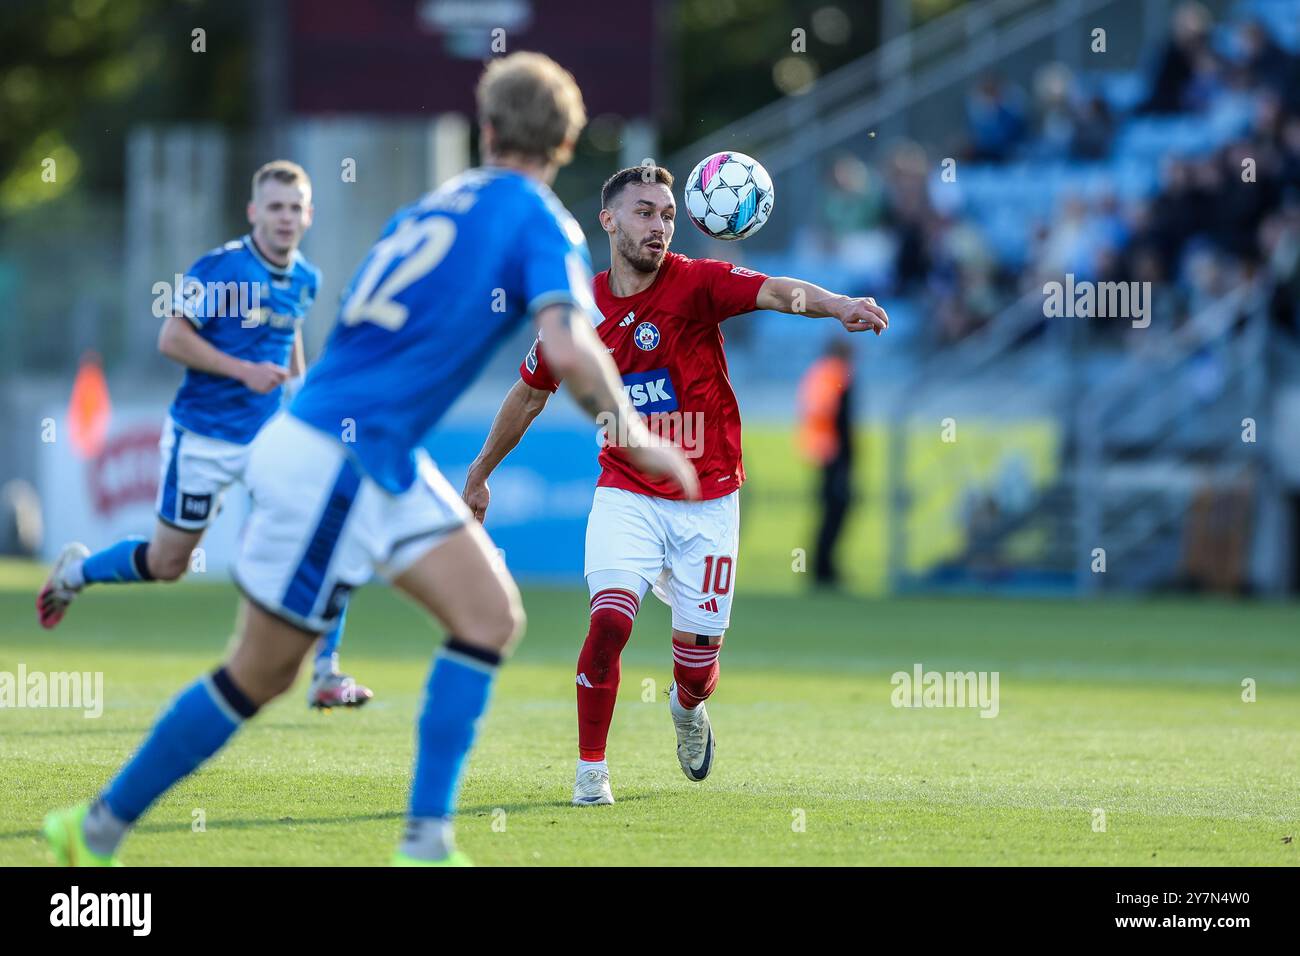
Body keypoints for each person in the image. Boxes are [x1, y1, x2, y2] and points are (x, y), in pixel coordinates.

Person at [42, 52, 698, 867]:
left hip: (365, 451)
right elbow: (567, 343)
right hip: (337, 459)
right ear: (566, 143)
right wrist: (631, 430)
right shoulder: (540, 221)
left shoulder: (433, 206)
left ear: (485, 130)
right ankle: (95, 829)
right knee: (258, 675)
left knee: (490, 616)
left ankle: (425, 843)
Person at [462, 164, 888, 806]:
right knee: (607, 625)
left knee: (697, 668)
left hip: (708, 497)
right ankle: (590, 774)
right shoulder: (576, 311)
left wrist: (839, 306)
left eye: (667, 214)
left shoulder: (696, 283)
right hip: (626, 491)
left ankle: (687, 710)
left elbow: (775, 292)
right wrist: (480, 471)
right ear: (607, 220)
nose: (659, 225)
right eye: (643, 212)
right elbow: (528, 394)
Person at [36, 160, 372, 708]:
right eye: (275, 207)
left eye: (295, 208)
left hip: (266, 437)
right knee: (168, 564)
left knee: (325, 524)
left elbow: (288, 339)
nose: (285, 218)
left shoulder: (305, 277)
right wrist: (242, 371)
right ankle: (76, 572)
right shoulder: (222, 269)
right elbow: (171, 338)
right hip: (204, 438)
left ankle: (327, 674)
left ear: (309, 215)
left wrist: (301, 394)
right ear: (254, 212)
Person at [797, 339, 856, 588]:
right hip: (834, 452)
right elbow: (842, 420)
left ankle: (821, 567)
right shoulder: (839, 374)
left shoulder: (818, 372)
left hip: (818, 448)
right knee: (836, 510)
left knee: (828, 511)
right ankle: (824, 569)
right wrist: (849, 457)